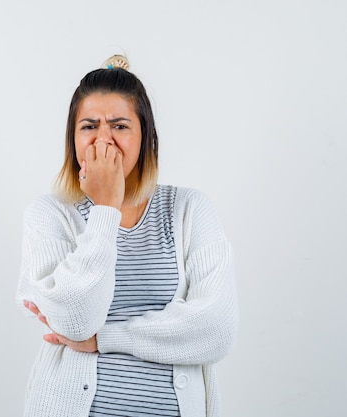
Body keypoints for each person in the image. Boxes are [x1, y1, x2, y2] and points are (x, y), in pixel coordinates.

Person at [15, 54, 238, 417]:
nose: (104, 139)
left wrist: (104, 339)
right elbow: (75, 321)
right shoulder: (51, 214)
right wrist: (106, 209)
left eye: (119, 126)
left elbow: (216, 329)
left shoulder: (189, 210)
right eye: (89, 126)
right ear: (72, 139)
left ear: (144, 135)